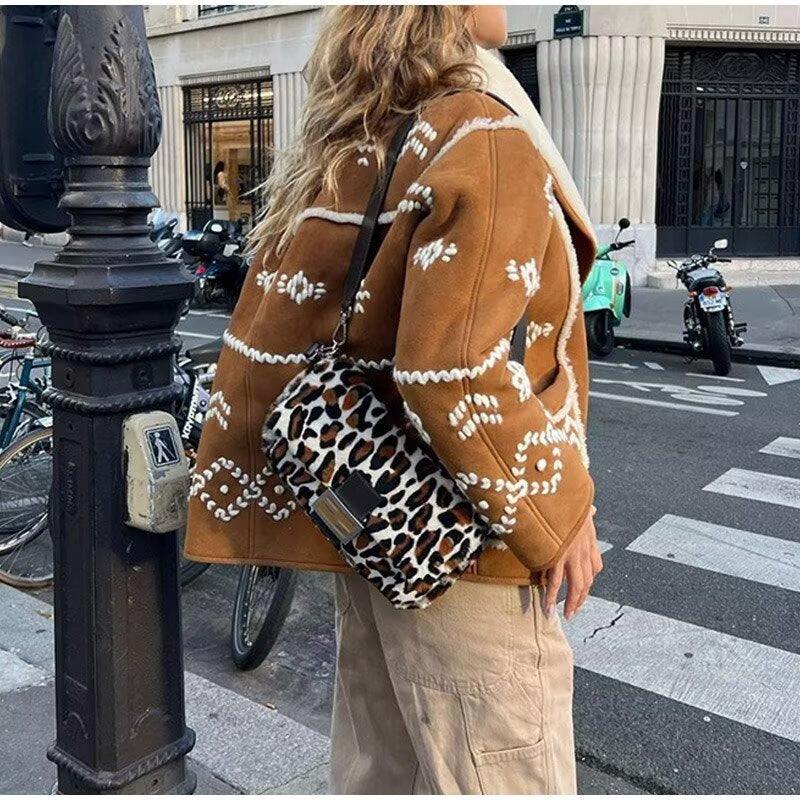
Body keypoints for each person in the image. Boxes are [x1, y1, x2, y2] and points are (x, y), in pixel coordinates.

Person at [185, 6, 603, 794]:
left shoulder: (365, 136)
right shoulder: (482, 131)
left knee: (380, 772)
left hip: (377, 527)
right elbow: (452, 367)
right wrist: (561, 518)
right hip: (465, 546)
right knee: (506, 776)